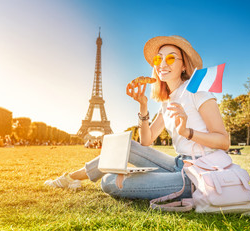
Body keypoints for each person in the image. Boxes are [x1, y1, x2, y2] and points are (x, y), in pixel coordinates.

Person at [45, 35, 229, 200]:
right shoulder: (167, 101)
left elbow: (223, 141)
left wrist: (187, 132)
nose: (162, 64)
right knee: (125, 146)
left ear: (183, 65)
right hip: (179, 164)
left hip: (200, 173)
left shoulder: (197, 91)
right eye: (158, 58)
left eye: (171, 58)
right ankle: (72, 177)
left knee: (109, 182)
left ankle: (74, 178)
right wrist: (143, 106)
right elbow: (146, 141)